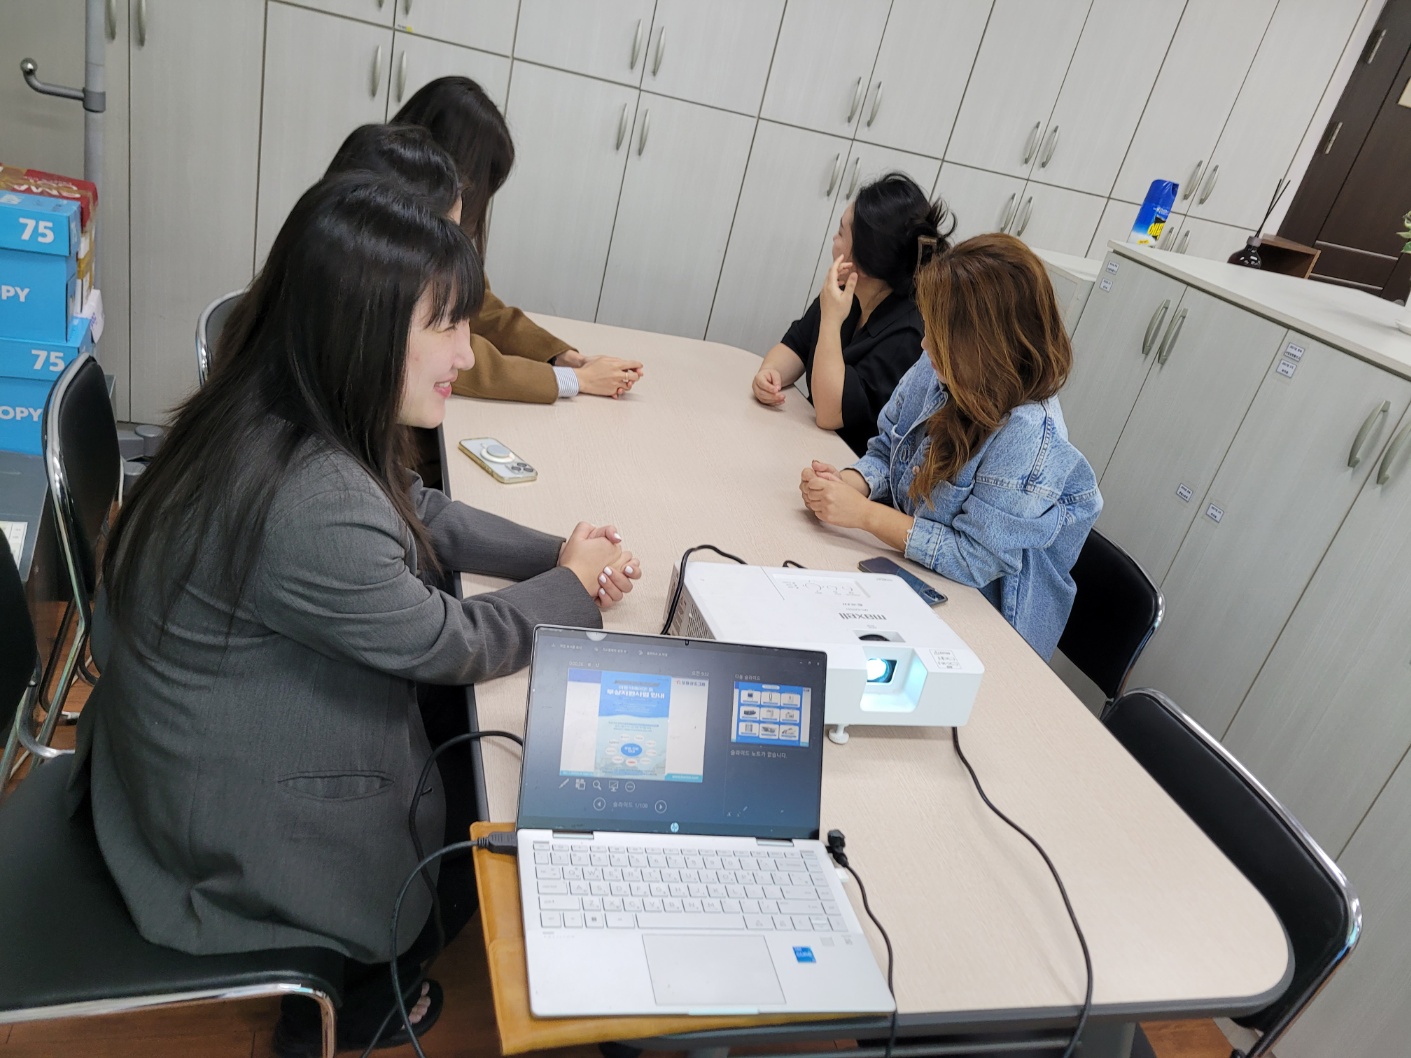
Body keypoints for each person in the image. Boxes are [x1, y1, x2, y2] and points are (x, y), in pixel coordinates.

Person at [69, 173, 643, 1057]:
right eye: (445, 326)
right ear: (365, 328)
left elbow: (420, 507)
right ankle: (352, 1003)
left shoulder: (279, 403)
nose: (465, 356)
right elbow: (452, 640)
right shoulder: (312, 499)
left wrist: (558, 558)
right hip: (219, 822)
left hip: (184, 744)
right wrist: (571, 587)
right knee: (492, 809)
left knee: (466, 742)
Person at [798, 233, 1100, 660]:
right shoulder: (941, 362)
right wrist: (850, 483)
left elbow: (973, 559)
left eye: (941, 336)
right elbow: (887, 449)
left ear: (989, 345)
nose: (925, 345)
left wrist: (863, 514)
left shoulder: (1030, 435)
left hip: (982, 623)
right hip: (914, 574)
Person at [394, 76, 644, 402]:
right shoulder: (391, 241)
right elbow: (440, 354)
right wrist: (574, 380)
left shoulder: (411, 217)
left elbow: (481, 308)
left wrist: (564, 358)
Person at [754, 172, 952, 455]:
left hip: (845, 462)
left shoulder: (908, 334)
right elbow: (795, 345)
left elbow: (830, 412)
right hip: (806, 442)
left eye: (841, 233)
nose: (834, 238)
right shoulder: (849, 289)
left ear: (866, 260)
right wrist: (769, 373)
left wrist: (831, 320)